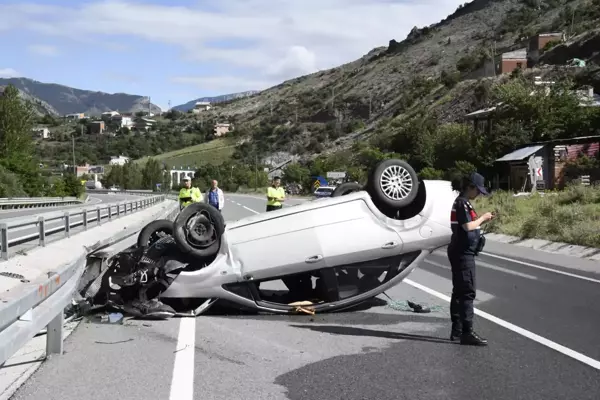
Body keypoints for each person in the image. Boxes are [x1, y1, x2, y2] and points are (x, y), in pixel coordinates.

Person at [448, 172, 495, 346]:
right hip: (462, 253)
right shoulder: (461, 203)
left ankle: (457, 330)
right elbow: (468, 226)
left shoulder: (464, 203)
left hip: (461, 251)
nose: (479, 194)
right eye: (478, 190)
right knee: (467, 292)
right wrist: (483, 218)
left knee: (459, 292)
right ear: (470, 187)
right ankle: (466, 332)